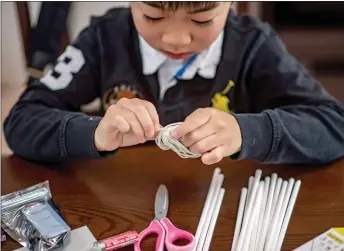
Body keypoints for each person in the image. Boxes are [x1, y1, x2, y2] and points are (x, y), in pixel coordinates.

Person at [4, 2, 344, 165]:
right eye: (152, 16)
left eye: (202, 19)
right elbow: (21, 122)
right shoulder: (102, 39)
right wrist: (93, 132)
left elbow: (334, 126)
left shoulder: (254, 46)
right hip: (121, 199)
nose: (176, 38)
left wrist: (247, 132)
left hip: (224, 199)